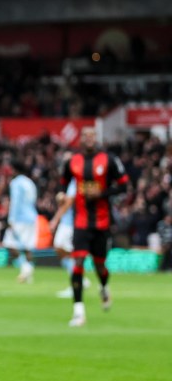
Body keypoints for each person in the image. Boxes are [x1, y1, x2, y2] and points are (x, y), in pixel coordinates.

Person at [60, 126, 129, 327]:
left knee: (100, 265)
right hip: (81, 221)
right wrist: (61, 195)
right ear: (81, 139)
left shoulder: (109, 160)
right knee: (78, 262)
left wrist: (101, 194)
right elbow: (63, 184)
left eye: (91, 135)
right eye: (85, 135)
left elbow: (123, 185)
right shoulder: (72, 161)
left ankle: (104, 288)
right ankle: (78, 312)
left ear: (96, 138)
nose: (88, 138)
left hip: (102, 221)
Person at [48, 176, 88, 298]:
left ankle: (78, 281)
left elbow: (70, 202)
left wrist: (55, 219)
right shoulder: (76, 181)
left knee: (61, 248)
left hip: (70, 223)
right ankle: (79, 279)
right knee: (64, 250)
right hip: (72, 222)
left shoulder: (76, 180)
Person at [2, 159, 38, 284]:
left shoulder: (16, 183)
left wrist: (11, 218)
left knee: (9, 244)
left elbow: (16, 202)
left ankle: (25, 268)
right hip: (32, 217)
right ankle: (28, 275)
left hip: (20, 218)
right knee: (28, 247)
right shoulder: (30, 183)